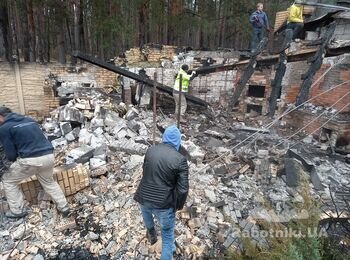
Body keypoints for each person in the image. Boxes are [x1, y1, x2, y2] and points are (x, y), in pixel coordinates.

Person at [0, 107, 69, 218]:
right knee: (49, 182)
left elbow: (10, 154)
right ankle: (64, 207)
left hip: (30, 160)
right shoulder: (29, 120)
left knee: (8, 180)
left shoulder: (4, 128)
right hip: (49, 156)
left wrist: (13, 162)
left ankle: (17, 210)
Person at [134, 125, 189, 260]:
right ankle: (164, 248)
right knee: (167, 237)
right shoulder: (180, 160)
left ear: (164, 138)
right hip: (164, 205)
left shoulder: (150, 150)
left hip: (144, 197)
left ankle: (151, 234)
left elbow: (145, 171)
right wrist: (178, 206)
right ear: (177, 141)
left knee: (146, 213)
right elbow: (183, 189)